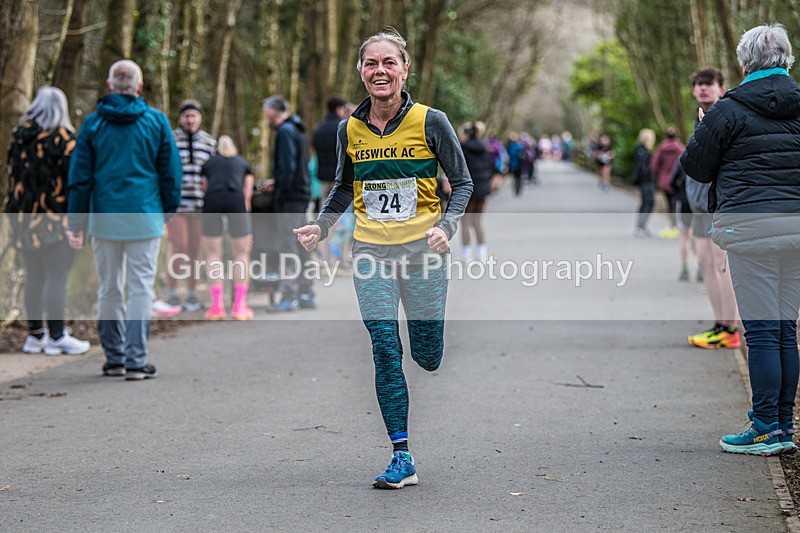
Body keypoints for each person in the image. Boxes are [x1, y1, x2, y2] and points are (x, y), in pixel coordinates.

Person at [293, 29, 473, 489]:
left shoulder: (432, 121)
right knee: (384, 349)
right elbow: (344, 187)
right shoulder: (348, 128)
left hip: (423, 255)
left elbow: (464, 184)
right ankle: (402, 455)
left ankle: (428, 340)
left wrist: (445, 226)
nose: (380, 71)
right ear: (360, 71)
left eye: (388, 62)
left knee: (426, 356)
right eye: (371, 63)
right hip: (371, 253)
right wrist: (323, 225)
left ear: (404, 69)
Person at [681, 23, 800, 456]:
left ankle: (765, 425)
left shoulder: (727, 111)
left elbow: (695, 167)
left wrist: (702, 128)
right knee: (786, 330)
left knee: (764, 333)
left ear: (744, 62)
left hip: (751, 232)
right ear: (787, 59)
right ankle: (783, 426)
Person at [67, 60, 181, 380]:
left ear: (109, 86)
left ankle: (114, 357)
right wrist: (167, 211)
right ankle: (136, 359)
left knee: (109, 287)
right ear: (139, 88)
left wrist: (75, 222)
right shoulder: (156, 122)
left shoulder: (92, 124)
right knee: (141, 287)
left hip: (104, 218)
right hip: (144, 216)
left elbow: (80, 178)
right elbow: (171, 173)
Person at [5, 86, 90, 355]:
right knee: (57, 276)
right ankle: (56, 335)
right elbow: (73, 184)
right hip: (55, 219)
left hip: (22, 218)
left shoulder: (19, 137)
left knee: (35, 275)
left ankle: (35, 335)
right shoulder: (66, 140)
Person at [683, 67, 740, 350]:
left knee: (722, 266)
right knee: (705, 263)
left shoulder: (725, 117)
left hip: (719, 207)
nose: (703, 89)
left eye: (709, 84)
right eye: (699, 85)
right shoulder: (700, 119)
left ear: (721, 88)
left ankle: (730, 328)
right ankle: (719, 324)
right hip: (699, 207)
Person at [262, 95, 315, 312]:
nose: (266, 119)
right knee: (302, 243)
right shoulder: (298, 129)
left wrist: (280, 192)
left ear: (273, 112)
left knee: (288, 244)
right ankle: (306, 292)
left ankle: (289, 294)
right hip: (302, 193)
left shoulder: (285, 131)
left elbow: (287, 166)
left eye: (267, 114)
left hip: (290, 198)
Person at [164, 99, 216, 311]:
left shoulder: (209, 142)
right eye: (187, 115)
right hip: (177, 204)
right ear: (181, 118)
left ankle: (192, 293)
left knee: (195, 249)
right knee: (179, 245)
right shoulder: (171, 140)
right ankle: (172, 292)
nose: (190, 119)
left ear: (200, 118)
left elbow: (214, 172)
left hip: (200, 204)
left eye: (194, 115)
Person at [200, 135, 255, 320]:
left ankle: (217, 307)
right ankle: (239, 306)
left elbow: (204, 187)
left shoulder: (208, 163)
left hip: (212, 200)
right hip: (235, 200)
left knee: (213, 254)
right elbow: (247, 192)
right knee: (241, 254)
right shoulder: (242, 163)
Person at [459, 121, 493, 262]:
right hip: (483, 189)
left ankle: (466, 254)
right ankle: (482, 252)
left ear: (466, 133)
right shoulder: (485, 148)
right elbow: (491, 167)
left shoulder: (463, 148)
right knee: (477, 221)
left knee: (465, 220)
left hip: (468, 189)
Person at [650, 127, 685, 240]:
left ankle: (672, 226)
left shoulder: (661, 149)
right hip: (677, 181)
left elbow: (654, 165)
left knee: (669, 204)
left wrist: (658, 175)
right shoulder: (681, 149)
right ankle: (676, 226)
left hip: (664, 180)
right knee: (675, 204)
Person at [631, 128, 656, 238]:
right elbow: (642, 167)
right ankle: (640, 227)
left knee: (648, 203)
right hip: (646, 181)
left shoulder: (643, 150)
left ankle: (642, 226)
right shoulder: (642, 151)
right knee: (647, 202)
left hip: (648, 181)